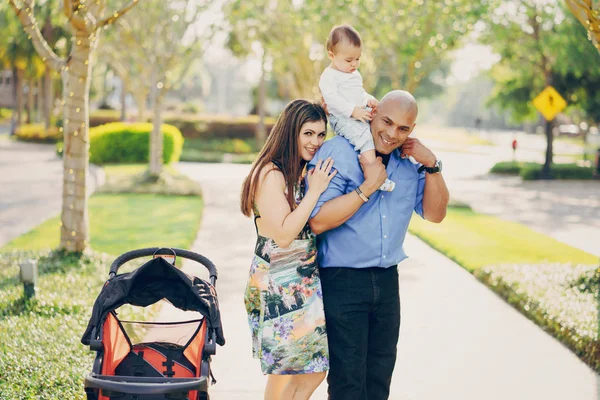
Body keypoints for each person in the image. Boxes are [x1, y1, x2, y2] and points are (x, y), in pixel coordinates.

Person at [307, 90, 450, 400]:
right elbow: (317, 220)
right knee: (348, 381)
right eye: (387, 122)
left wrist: (433, 165)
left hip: (387, 282)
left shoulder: (412, 165)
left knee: (379, 378)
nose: (391, 134)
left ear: (412, 130)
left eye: (403, 128)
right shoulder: (338, 153)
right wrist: (367, 187)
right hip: (343, 280)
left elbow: (436, 214)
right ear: (373, 115)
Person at [240, 99, 337, 400]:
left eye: (321, 135)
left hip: (300, 281)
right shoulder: (271, 174)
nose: (316, 142)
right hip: (278, 282)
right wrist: (316, 191)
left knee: (315, 369)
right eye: (308, 133)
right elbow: (284, 235)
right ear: (291, 132)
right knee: (285, 375)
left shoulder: (297, 171)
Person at [319, 24, 395, 192]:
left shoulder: (353, 74)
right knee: (364, 137)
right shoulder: (329, 76)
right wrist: (353, 111)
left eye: (358, 59)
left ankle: (387, 164)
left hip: (357, 113)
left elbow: (359, 93)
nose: (354, 64)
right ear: (331, 55)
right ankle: (374, 176)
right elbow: (332, 99)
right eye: (349, 60)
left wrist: (369, 100)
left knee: (380, 127)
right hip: (342, 118)